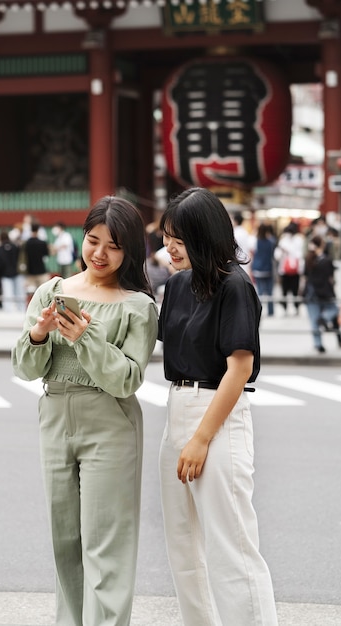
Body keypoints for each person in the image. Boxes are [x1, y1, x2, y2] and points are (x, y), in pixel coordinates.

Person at [12, 195, 158, 626]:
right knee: (65, 541)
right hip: (55, 415)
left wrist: (86, 339)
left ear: (129, 250)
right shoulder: (51, 292)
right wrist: (39, 334)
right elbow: (23, 367)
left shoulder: (138, 306)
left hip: (110, 422)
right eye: (92, 240)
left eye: (113, 246)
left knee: (105, 544)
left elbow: (127, 379)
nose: (99, 253)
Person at [157, 187, 278, 626]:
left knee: (232, 548)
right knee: (183, 544)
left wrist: (200, 439)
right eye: (167, 236)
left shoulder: (234, 286)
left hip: (218, 417)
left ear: (205, 236)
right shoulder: (175, 285)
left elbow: (239, 370)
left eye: (179, 238)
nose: (168, 246)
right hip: (178, 411)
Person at [303, 235, 341, 354]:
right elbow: (330, 278)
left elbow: (304, 277)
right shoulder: (326, 260)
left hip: (310, 293)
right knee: (333, 310)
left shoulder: (308, 259)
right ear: (321, 245)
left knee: (314, 320)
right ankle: (324, 318)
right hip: (325, 293)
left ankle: (318, 345)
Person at [274, 221, 305, 315]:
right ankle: (285, 308)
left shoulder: (299, 240)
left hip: (295, 270)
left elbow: (300, 255)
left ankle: (296, 307)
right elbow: (277, 255)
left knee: (295, 290)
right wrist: (283, 252)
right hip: (284, 270)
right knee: (284, 290)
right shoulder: (283, 241)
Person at [0, 231, 26, 312]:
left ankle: (8, 310)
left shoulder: (0, 249)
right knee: (19, 292)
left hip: (5, 274)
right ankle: (22, 309)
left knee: (7, 293)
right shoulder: (14, 247)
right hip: (17, 272)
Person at [251, 223, 276, 316]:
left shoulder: (255, 241)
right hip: (268, 268)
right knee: (270, 292)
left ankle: (259, 310)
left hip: (258, 269)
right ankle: (271, 311)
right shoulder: (271, 242)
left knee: (260, 292)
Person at [24, 222, 50, 302]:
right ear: (38, 230)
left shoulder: (26, 243)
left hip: (30, 271)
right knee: (44, 293)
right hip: (41, 270)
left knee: (30, 293)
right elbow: (46, 254)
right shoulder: (42, 243)